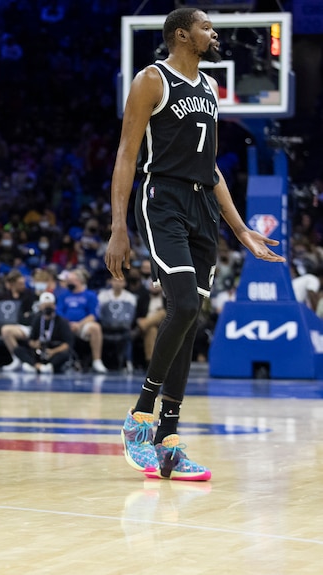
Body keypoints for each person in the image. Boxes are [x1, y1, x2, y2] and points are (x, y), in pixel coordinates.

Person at [105, 8, 285, 482]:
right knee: (182, 305)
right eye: (206, 26)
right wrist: (117, 226)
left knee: (190, 320)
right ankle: (140, 416)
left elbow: (213, 169)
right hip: (162, 198)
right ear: (182, 35)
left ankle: (169, 443)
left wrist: (241, 229)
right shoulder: (151, 79)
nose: (215, 32)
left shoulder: (208, 87)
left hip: (203, 204)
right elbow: (126, 152)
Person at [57, 268, 108, 373]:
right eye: (68, 280)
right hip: (65, 325)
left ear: (80, 281)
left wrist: (79, 325)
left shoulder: (90, 295)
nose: (68, 283)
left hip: (82, 325)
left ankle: (97, 361)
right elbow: (59, 313)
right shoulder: (63, 295)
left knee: (95, 327)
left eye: (71, 280)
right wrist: (68, 324)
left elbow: (93, 315)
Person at [15, 292, 73, 374]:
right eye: (45, 306)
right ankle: (37, 366)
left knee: (65, 354)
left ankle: (49, 366)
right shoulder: (37, 320)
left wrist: (53, 351)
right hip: (40, 351)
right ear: (41, 306)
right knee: (18, 349)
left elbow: (67, 344)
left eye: (50, 305)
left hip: (53, 350)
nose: (47, 308)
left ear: (54, 306)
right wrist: (35, 344)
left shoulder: (61, 321)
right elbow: (30, 340)